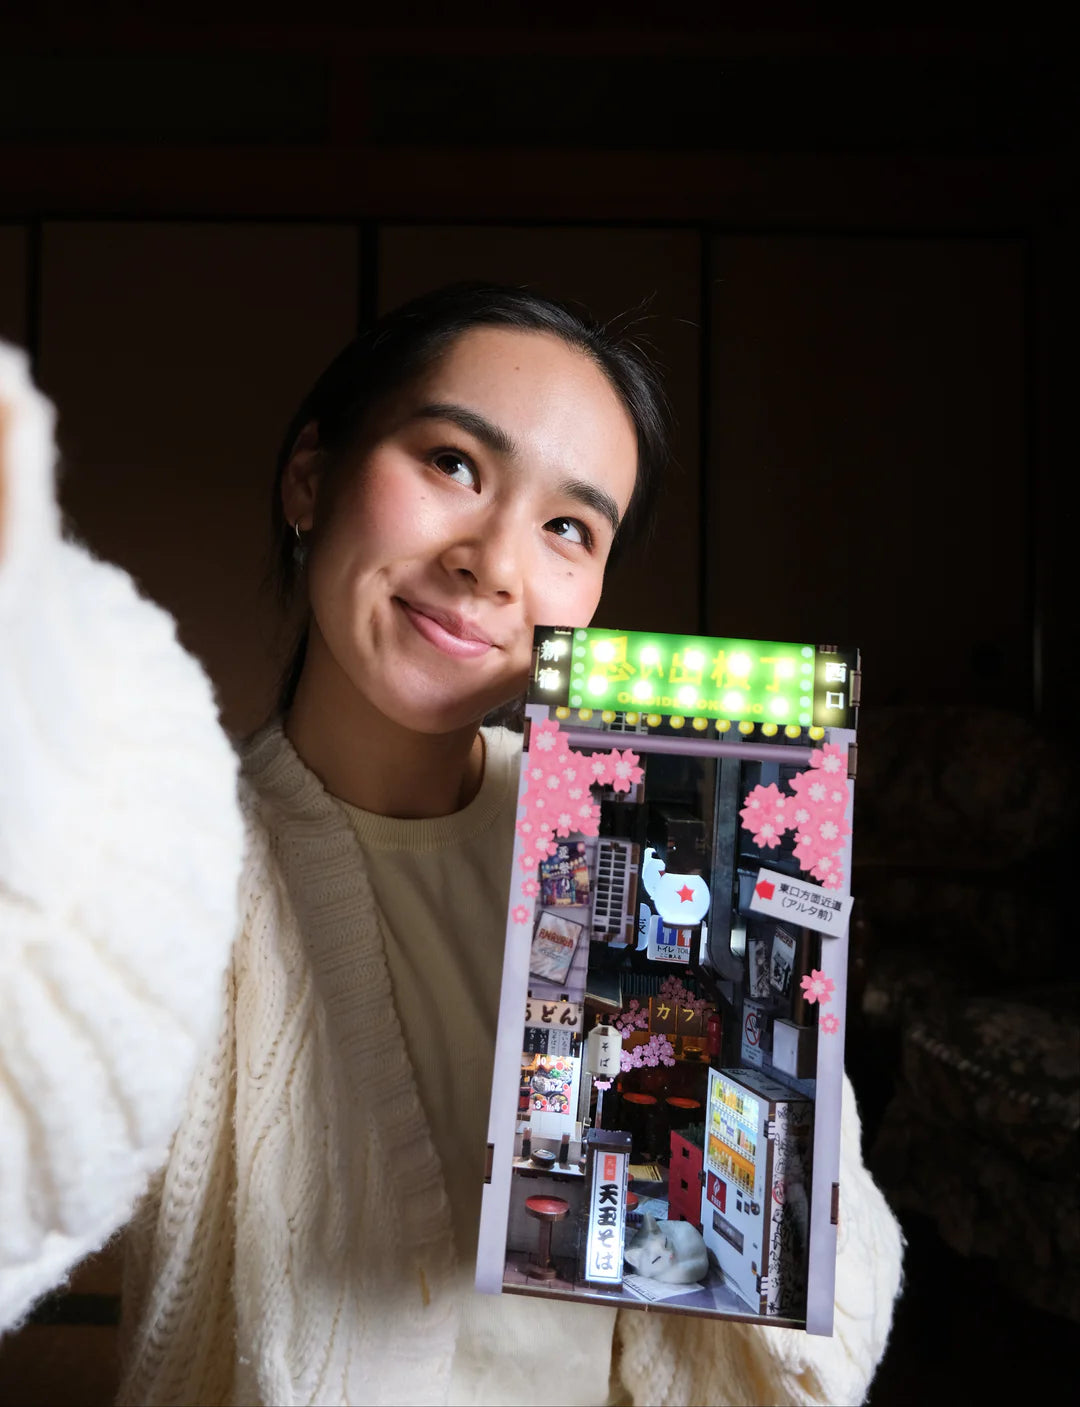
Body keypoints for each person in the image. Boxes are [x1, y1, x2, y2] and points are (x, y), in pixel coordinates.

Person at [0, 284, 904, 1406]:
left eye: (568, 528)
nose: (495, 563)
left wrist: (765, 1043)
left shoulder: (630, 836)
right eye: (453, 463)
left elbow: (837, 1291)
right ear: (310, 477)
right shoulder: (161, 853)